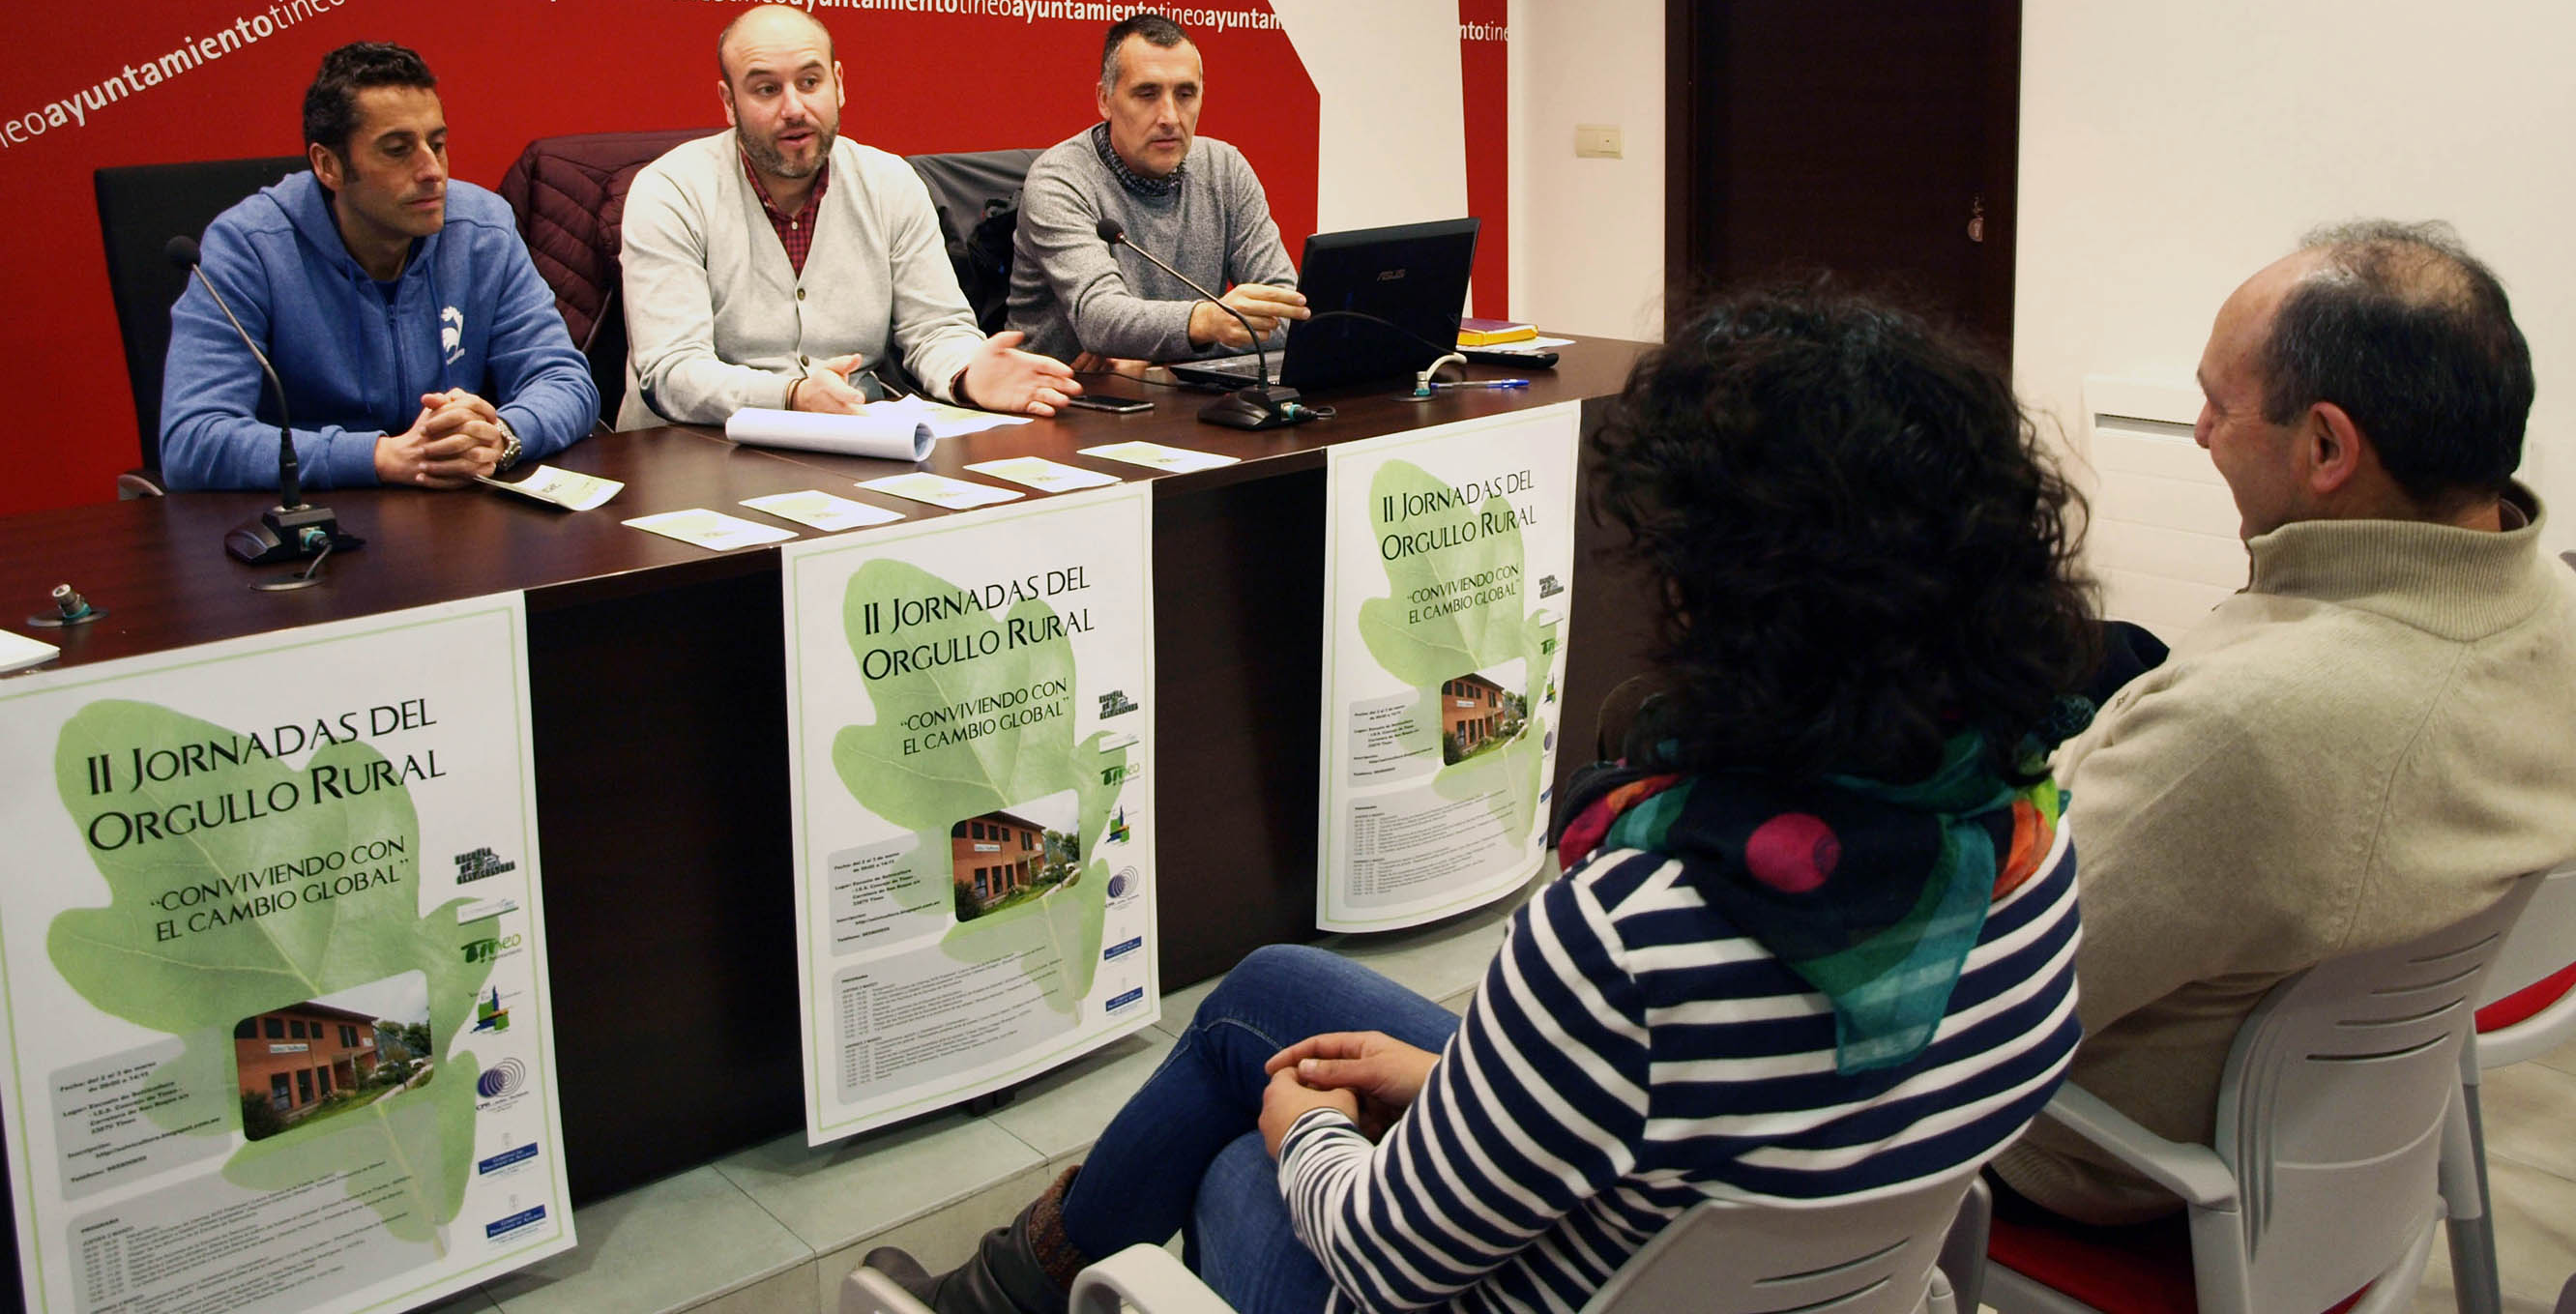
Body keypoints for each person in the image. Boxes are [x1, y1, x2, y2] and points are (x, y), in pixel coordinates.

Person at [864, 283, 2099, 1314]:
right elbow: (1729, 1098)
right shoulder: (2030, 850)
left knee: (1246, 1133)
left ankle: (1002, 1297)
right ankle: (1009, 1283)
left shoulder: (1628, 939)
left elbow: (1379, 1256)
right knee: (1268, 992)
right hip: (1720, 1198)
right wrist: (1460, 1079)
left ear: (1732, 605)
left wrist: (1309, 1136)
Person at [1990, 221, 2576, 1226]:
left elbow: (1991, 987)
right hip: (2344, 1119)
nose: (2204, 431)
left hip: (2109, 1159)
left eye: (2219, 405)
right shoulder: (2550, 610)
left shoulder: (2250, 727)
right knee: (2112, 648)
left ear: (2327, 446)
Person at [160, 42, 598, 492]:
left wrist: (499, 435)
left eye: (438, 143)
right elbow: (193, 440)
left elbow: (564, 381)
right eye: (397, 149)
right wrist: (380, 457)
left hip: (458, 520)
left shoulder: (483, 228)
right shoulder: (249, 247)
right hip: (318, 523)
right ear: (327, 165)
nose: (432, 170)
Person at [618, 5, 1076, 426]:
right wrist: (790, 395)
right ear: (728, 101)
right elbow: (671, 369)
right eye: (766, 90)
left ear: (838, 83)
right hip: (694, 450)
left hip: (852, 441)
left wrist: (968, 373)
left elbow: (935, 327)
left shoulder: (889, 182)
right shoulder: (670, 191)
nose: (793, 108)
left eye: (810, 82)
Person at [1007, 14, 1306, 371]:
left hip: (1173, 395)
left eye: (1185, 94)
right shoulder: (1060, 180)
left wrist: (1162, 355)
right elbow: (1099, 317)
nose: (1170, 116)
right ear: (1105, 100)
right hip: (1061, 401)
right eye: (1147, 94)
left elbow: (1288, 315)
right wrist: (1205, 323)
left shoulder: (1225, 169)